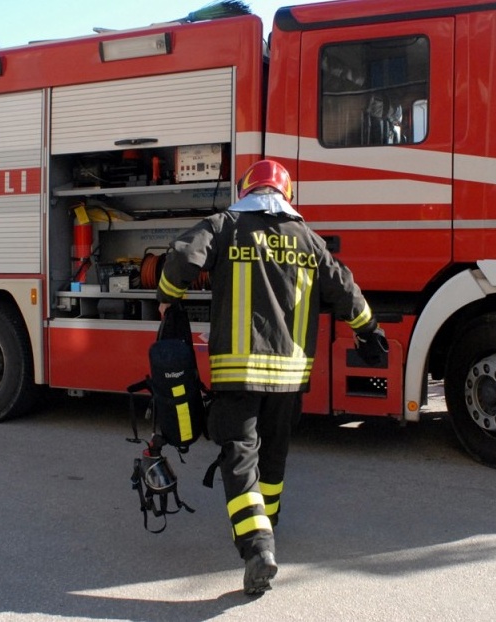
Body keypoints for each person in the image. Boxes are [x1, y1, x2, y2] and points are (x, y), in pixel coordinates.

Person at [156, 159, 386, 595]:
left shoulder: (225, 225)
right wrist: (369, 331)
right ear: (286, 196)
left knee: (239, 454)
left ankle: (257, 545)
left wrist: (167, 298)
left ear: (246, 190)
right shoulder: (309, 240)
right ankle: (268, 524)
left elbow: (184, 256)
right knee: (273, 457)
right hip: (289, 379)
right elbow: (346, 290)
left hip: (239, 372)